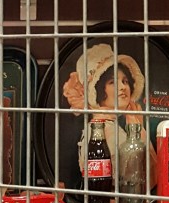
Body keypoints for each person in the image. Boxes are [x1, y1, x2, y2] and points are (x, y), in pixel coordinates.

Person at [62, 42, 157, 190]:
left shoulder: (113, 126)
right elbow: (142, 181)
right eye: (113, 82)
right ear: (98, 90)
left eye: (125, 81)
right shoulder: (104, 131)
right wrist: (137, 131)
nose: (123, 87)